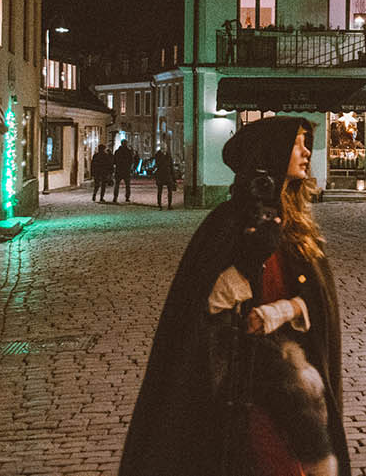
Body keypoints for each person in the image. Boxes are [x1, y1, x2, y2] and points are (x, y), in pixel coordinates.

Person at [120, 116, 348, 476]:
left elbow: (317, 303)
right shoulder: (228, 225)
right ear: (272, 153)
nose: (307, 152)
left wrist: (282, 311)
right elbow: (204, 309)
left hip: (295, 387)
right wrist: (245, 265)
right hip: (244, 391)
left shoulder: (297, 223)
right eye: (298, 144)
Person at [113, 139, 136, 204]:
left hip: (119, 170)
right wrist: (130, 167)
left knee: (117, 184)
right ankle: (127, 197)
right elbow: (131, 161)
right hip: (126, 170)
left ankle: (115, 197)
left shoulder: (117, 152)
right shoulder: (129, 152)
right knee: (127, 185)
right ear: (126, 144)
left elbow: (114, 161)